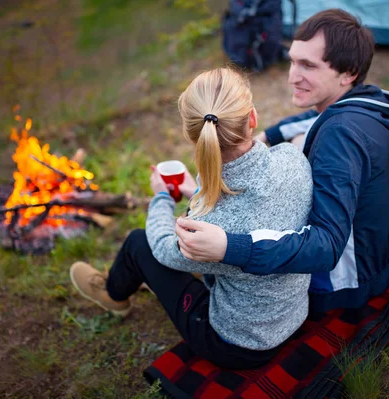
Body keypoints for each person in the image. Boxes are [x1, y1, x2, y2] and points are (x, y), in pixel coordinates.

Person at [70, 68, 313, 369]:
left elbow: (164, 249)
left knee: (137, 243)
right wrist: (196, 190)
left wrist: (160, 198)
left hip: (238, 344)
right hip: (292, 314)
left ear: (191, 135)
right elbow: (253, 205)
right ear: (252, 118)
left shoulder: (214, 231)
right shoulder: (292, 159)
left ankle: (113, 295)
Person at [176, 9, 389, 313]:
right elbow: (310, 117)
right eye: (292, 60)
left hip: (343, 286)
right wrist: (263, 137)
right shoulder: (367, 103)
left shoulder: (339, 137)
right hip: (378, 262)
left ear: (348, 72)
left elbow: (326, 246)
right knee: (297, 143)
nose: (292, 76)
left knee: (225, 247)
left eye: (308, 66)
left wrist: (228, 247)